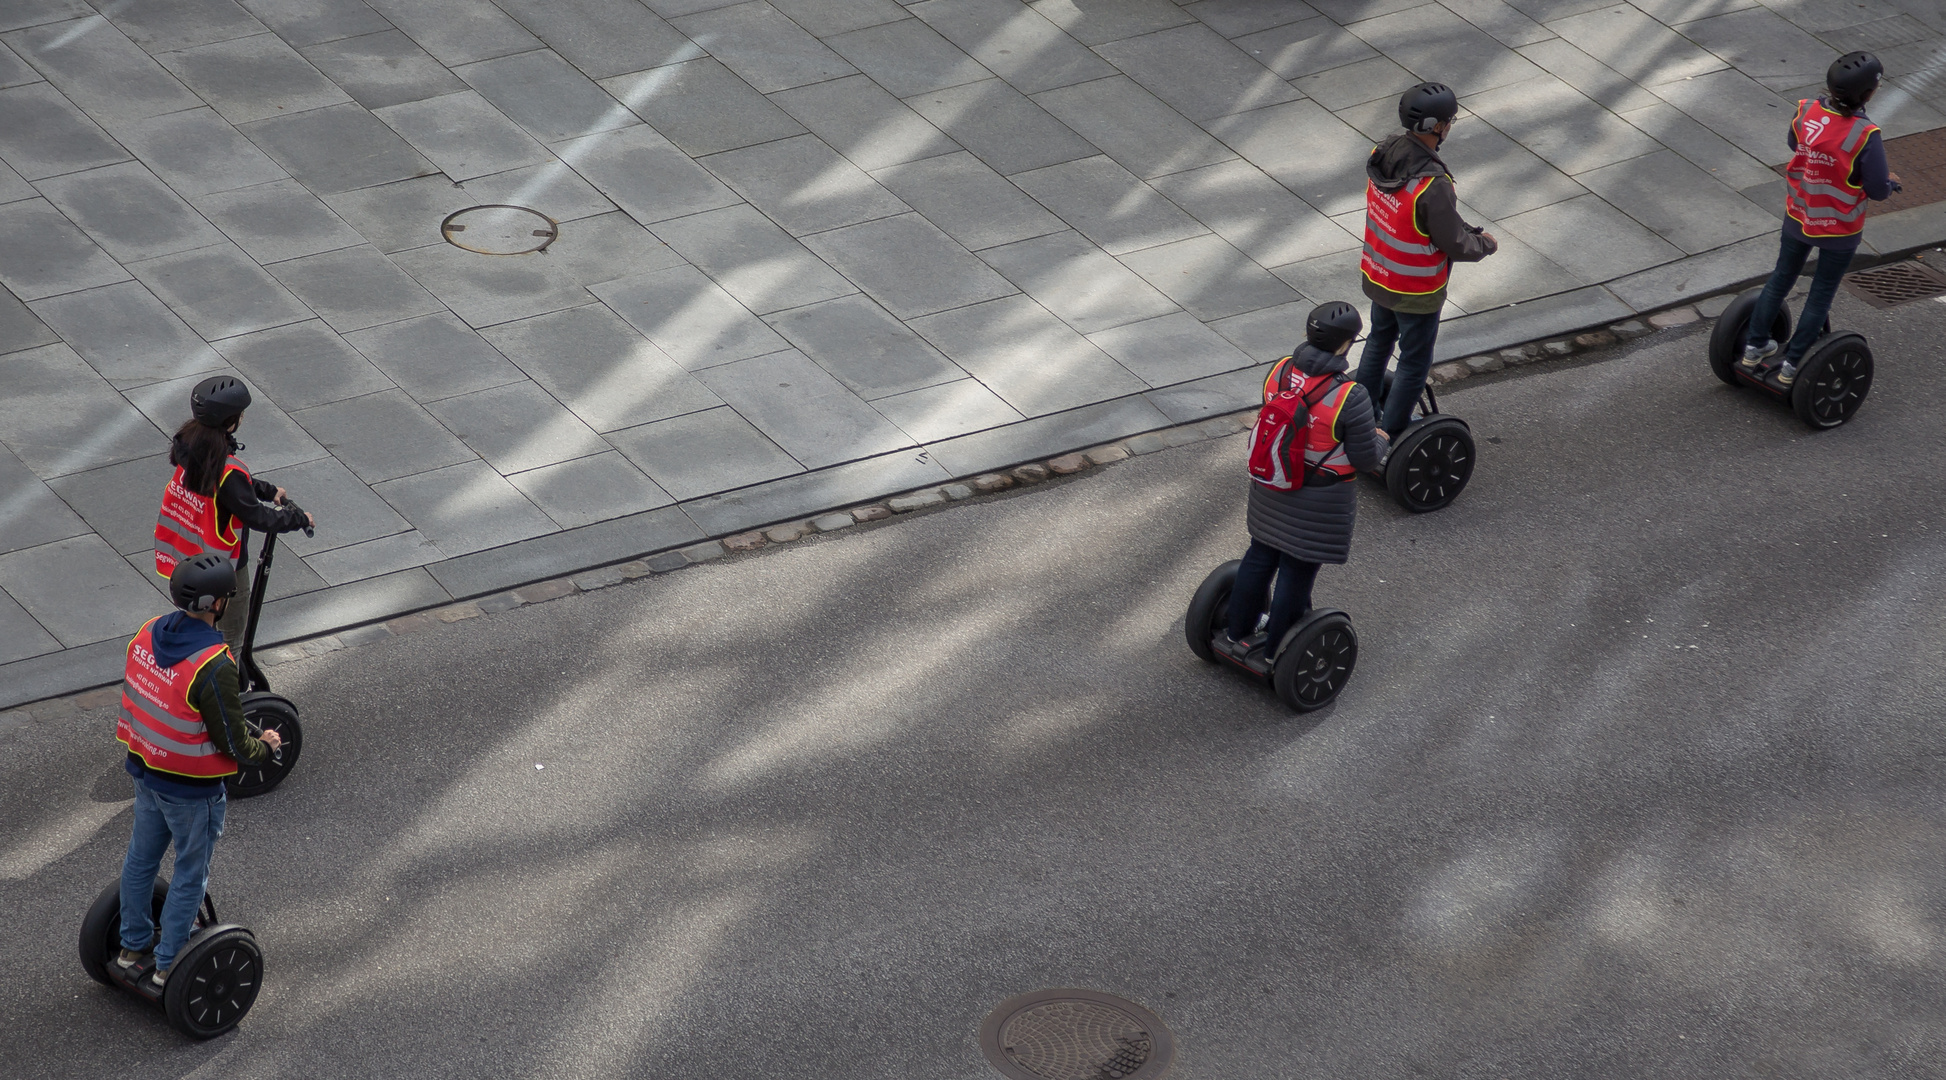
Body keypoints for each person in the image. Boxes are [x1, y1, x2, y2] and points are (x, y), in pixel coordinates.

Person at [115, 553, 280, 989]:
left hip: (146, 769)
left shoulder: (147, 632)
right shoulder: (214, 662)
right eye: (226, 596)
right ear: (216, 605)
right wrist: (264, 748)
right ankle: (168, 965)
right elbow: (230, 738)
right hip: (191, 790)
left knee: (141, 860)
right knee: (191, 872)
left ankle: (132, 947)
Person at [1217, 302, 1387, 663]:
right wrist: (1381, 438)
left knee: (1260, 556)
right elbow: (1365, 458)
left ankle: (1235, 632)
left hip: (1272, 485)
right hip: (1320, 500)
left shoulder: (1279, 371)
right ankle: (1277, 650)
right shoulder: (1349, 396)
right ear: (1345, 345)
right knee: (1297, 567)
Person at [1741, 51, 1901, 385]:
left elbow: (1794, 143)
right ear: (1868, 94)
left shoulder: (1805, 111)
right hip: (1838, 229)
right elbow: (1875, 188)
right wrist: (1890, 184)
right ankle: (1792, 367)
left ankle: (1754, 347)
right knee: (1821, 293)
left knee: (1781, 279)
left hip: (1799, 215)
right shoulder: (1865, 134)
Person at [1353, 82, 1498, 440]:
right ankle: (1387, 435)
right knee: (1414, 363)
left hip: (1379, 271)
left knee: (1378, 342)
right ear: (1436, 126)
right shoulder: (1432, 184)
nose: (1450, 126)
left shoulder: (1383, 152)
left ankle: (1359, 416)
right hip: (1415, 289)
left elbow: (1418, 216)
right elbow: (1455, 243)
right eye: (1449, 121)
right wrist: (1485, 244)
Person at [154, 376, 313, 652]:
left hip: (186, 556)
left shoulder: (189, 444)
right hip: (222, 565)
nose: (242, 418)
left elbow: (232, 488)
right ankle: (230, 688)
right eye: (240, 414)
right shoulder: (226, 470)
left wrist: (268, 490)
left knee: (197, 623)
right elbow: (257, 517)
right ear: (230, 420)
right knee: (231, 637)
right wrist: (299, 519)